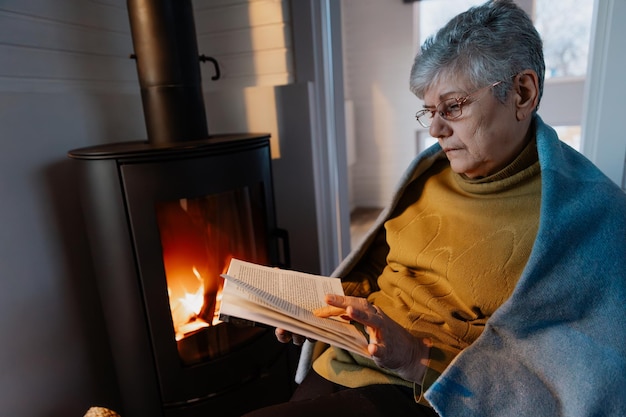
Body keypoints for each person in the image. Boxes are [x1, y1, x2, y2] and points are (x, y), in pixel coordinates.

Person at [243, 1, 626, 416]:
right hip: (348, 354)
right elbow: (379, 271)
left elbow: (572, 375)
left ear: (522, 93)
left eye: (454, 107)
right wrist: (311, 308)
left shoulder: (591, 215)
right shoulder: (429, 175)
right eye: (430, 111)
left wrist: (414, 357)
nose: (436, 129)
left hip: (434, 393)